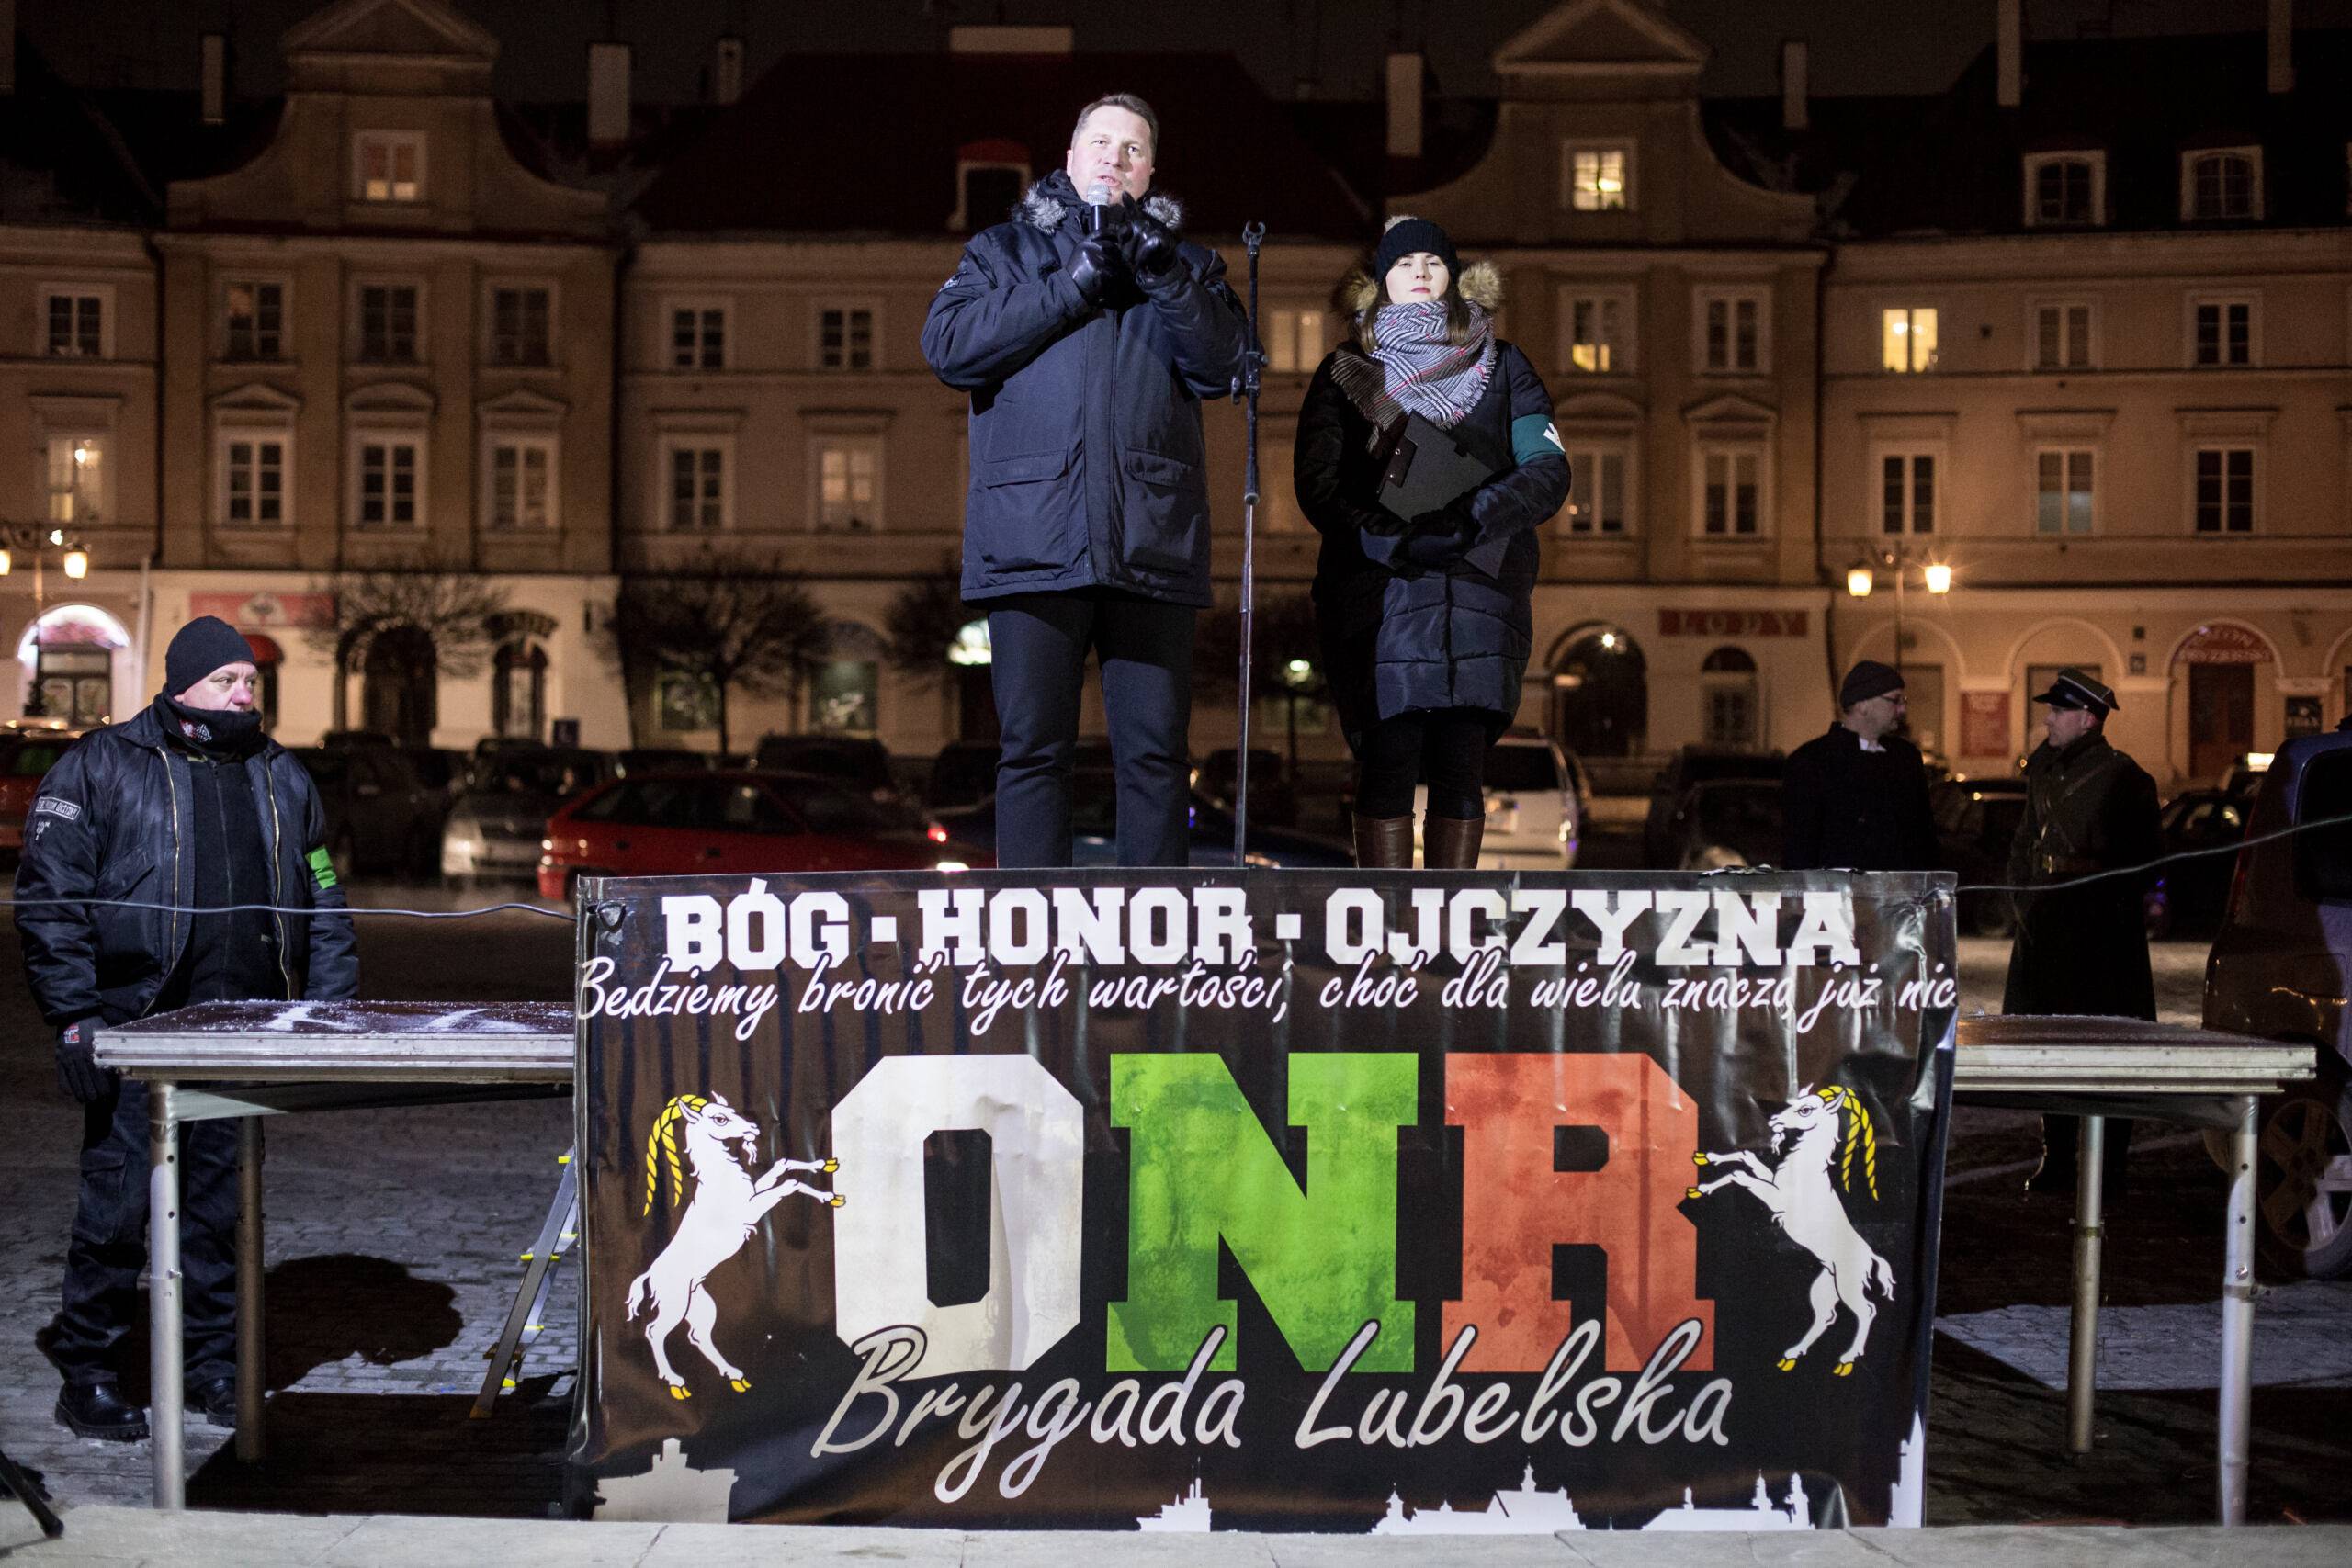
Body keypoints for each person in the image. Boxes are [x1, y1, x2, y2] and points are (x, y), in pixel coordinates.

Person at [16, 615, 357, 1439]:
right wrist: (75, 1019)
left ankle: (209, 1364)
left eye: (250, 682)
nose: (242, 695)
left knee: (218, 1213)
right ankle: (90, 1369)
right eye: (225, 682)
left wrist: (335, 1009)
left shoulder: (282, 776)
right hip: (137, 1030)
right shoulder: (104, 765)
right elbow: (48, 900)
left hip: (244, 1031)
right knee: (118, 1206)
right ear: (180, 686)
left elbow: (323, 897)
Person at [921, 94, 1250, 867]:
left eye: (1131, 149)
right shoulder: (1002, 251)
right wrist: (1069, 285)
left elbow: (1229, 365)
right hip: (1034, 536)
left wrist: (1165, 275)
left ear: (1150, 171)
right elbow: (949, 347)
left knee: (1157, 757)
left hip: (1151, 543)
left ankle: (1154, 947)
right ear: (1068, 160)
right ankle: (1034, 948)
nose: (1113, 157)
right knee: (1033, 751)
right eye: (1098, 143)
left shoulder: (1190, 263)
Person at [1292, 216, 1569, 867]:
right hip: (1381, 601)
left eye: (1433, 262)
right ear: (1381, 284)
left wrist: (1471, 518)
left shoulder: (1507, 367)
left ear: (1455, 278)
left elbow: (1548, 470)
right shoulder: (1345, 374)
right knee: (1386, 764)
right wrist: (1396, 543)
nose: (1419, 271)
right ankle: (1387, 940)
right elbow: (1318, 485)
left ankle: (1449, 932)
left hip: (1479, 599)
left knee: (1461, 770)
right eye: (1403, 262)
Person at [2001, 667, 2162, 1196]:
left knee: (2105, 1047)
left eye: (2057, 711)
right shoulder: (2043, 769)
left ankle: (2108, 1163)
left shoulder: (2125, 777)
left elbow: (2142, 863)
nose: (2046, 718)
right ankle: (2058, 1154)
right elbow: (2025, 841)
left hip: (2098, 938)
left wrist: (2102, 912)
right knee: (2047, 1044)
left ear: (2088, 719)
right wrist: (2022, 899)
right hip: (2045, 928)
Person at [1781, 660, 1938, 871]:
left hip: (1901, 897)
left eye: (1904, 701)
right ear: (1863, 704)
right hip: (1838, 897)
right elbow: (1800, 847)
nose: (1902, 709)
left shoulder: (1905, 758)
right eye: (1895, 700)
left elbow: (1924, 837)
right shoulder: (1812, 761)